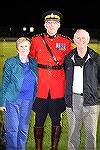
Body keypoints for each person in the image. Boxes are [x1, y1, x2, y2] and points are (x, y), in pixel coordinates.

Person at [29, 10, 73, 150]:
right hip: (40, 86)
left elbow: (70, 64)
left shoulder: (66, 42)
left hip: (58, 87)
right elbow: (29, 61)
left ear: (59, 25)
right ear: (45, 24)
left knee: (56, 118)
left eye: (55, 23)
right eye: (49, 22)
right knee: (39, 119)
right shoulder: (36, 40)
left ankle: (54, 148)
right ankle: (38, 148)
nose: (52, 25)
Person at [64, 29, 100, 150]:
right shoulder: (68, 58)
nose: (81, 40)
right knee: (73, 134)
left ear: (88, 40)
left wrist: (96, 95)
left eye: (83, 38)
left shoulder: (96, 59)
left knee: (90, 134)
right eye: (78, 38)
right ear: (74, 40)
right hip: (73, 100)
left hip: (91, 101)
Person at [0, 37, 38, 150]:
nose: (24, 48)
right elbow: (4, 83)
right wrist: (2, 102)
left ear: (29, 48)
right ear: (17, 49)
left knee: (23, 129)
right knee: (12, 129)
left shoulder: (34, 63)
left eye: (26, 46)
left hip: (28, 101)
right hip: (12, 100)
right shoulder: (10, 62)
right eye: (21, 46)